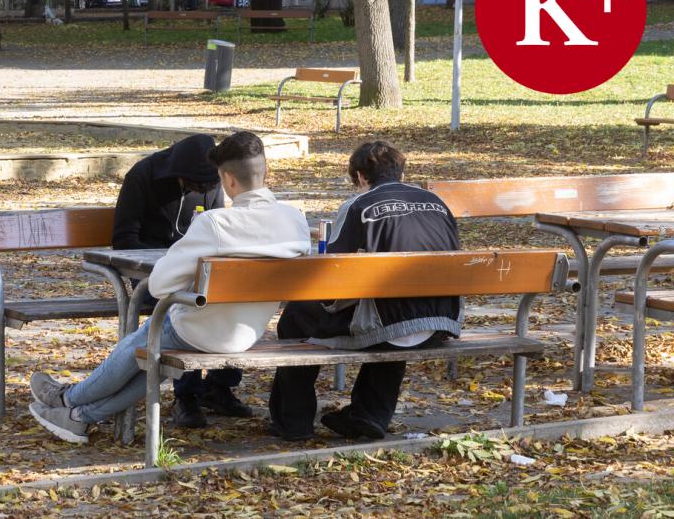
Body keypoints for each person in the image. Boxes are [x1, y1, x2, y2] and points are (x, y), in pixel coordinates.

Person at [28, 132, 310, 444]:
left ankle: (69, 400)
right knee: (154, 355)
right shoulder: (295, 221)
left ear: (228, 179)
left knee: (147, 339)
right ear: (265, 172)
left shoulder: (216, 224)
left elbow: (160, 284)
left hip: (199, 330)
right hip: (247, 333)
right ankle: (76, 416)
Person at [267, 141, 461, 442]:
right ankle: (368, 414)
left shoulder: (361, 205)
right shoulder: (437, 202)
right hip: (441, 320)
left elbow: (330, 272)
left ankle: (293, 420)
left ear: (359, 177)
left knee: (296, 316)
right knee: (397, 314)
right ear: (401, 170)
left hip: (393, 322)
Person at [112, 134, 243, 429]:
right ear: (179, 174)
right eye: (196, 185)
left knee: (234, 300)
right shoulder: (142, 176)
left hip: (194, 274)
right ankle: (187, 398)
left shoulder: (209, 182)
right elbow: (123, 240)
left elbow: (216, 230)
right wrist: (172, 260)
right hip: (152, 277)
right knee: (184, 309)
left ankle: (220, 386)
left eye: (209, 185)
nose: (203, 190)